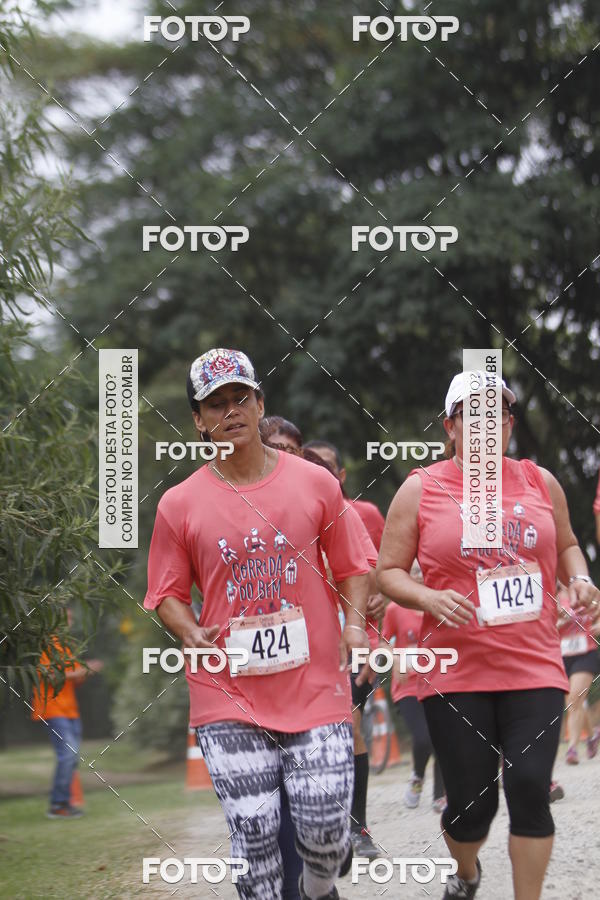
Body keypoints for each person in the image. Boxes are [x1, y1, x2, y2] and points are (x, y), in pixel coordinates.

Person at [144, 348, 371, 900]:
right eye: (214, 404)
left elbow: (353, 564)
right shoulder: (179, 504)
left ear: (259, 403)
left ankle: (320, 889)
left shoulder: (315, 484)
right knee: (256, 837)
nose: (230, 411)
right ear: (198, 420)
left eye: (240, 397)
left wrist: (355, 627)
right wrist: (187, 629)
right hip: (228, 695)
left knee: (324, 830)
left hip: (314, 683)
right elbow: (166, 594)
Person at [376, 370, 600, 900]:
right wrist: (428, 598)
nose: (484, 423)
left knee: (528, 789)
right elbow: (387, 572)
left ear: (508, 424)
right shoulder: (421, 488)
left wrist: (582, 578)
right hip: (455, 672)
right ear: (450, 426)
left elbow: (567, 544)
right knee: (472, 807)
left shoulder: (539, 481)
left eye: (495, 413)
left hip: (534, 665)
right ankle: (468, 872)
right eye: (470, 414)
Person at [304, 439, 385, 859]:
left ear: (341, 475)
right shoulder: (287, 512)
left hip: (354, 643)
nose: (319, 471)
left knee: (348, 726)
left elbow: (384, 572)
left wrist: (379, 631)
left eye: (326, 465)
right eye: (309, 463)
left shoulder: (361, 514)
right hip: (301, 646)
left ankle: (358, 827)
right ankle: (320, 824)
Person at [381, 563, 445, 812]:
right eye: (414, 571)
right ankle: (418, 775)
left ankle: (440, 795)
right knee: (423, 738)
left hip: (438, 682)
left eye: (422, 570)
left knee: (443, 738)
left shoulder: (440, 605)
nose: (419, 575)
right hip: (407, 686)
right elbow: (383, 641)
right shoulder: (395, 609)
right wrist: (394, 659)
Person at [31, 612, 103, 819]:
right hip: (52, 709)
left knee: (71, 758)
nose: (70, 623)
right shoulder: (48, 645)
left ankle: (62, 803)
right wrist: (83, 670)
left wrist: (85, 672)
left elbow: (73, 678)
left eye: (71, 619)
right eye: (66, 619)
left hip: (70, 708)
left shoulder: (66, 647)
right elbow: (52, 676)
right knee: (67, 756)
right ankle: (58, 805)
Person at [556, 581, 600, 764]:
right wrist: (561, 621)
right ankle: (592, 735)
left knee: (575, 697)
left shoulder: (586, 593)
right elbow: (546, 629)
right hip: (562, 656)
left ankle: (572, 748)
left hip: (585, 654)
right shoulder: (552, 598)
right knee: (574, 702)